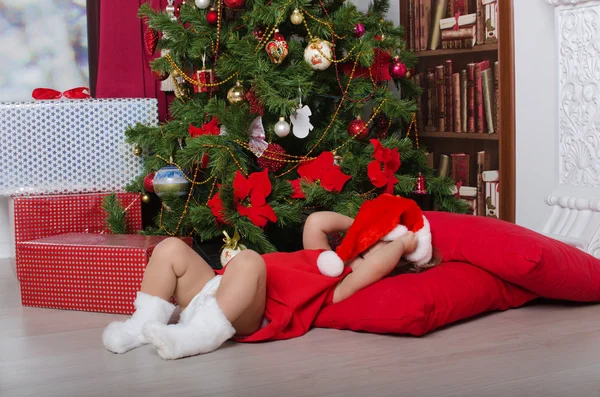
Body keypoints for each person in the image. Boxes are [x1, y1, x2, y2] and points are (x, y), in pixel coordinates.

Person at [102, 194, 437, 360]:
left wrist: (402, 243)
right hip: (215, 288)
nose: (366, 250)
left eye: (374, 248)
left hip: (249, 311)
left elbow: (376, 265)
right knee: (171, 247)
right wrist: (364, 225)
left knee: (249, 261)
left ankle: (197, 337)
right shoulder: (324, 257)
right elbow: (316, 222)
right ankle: (138, 329)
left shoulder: (339, 285)